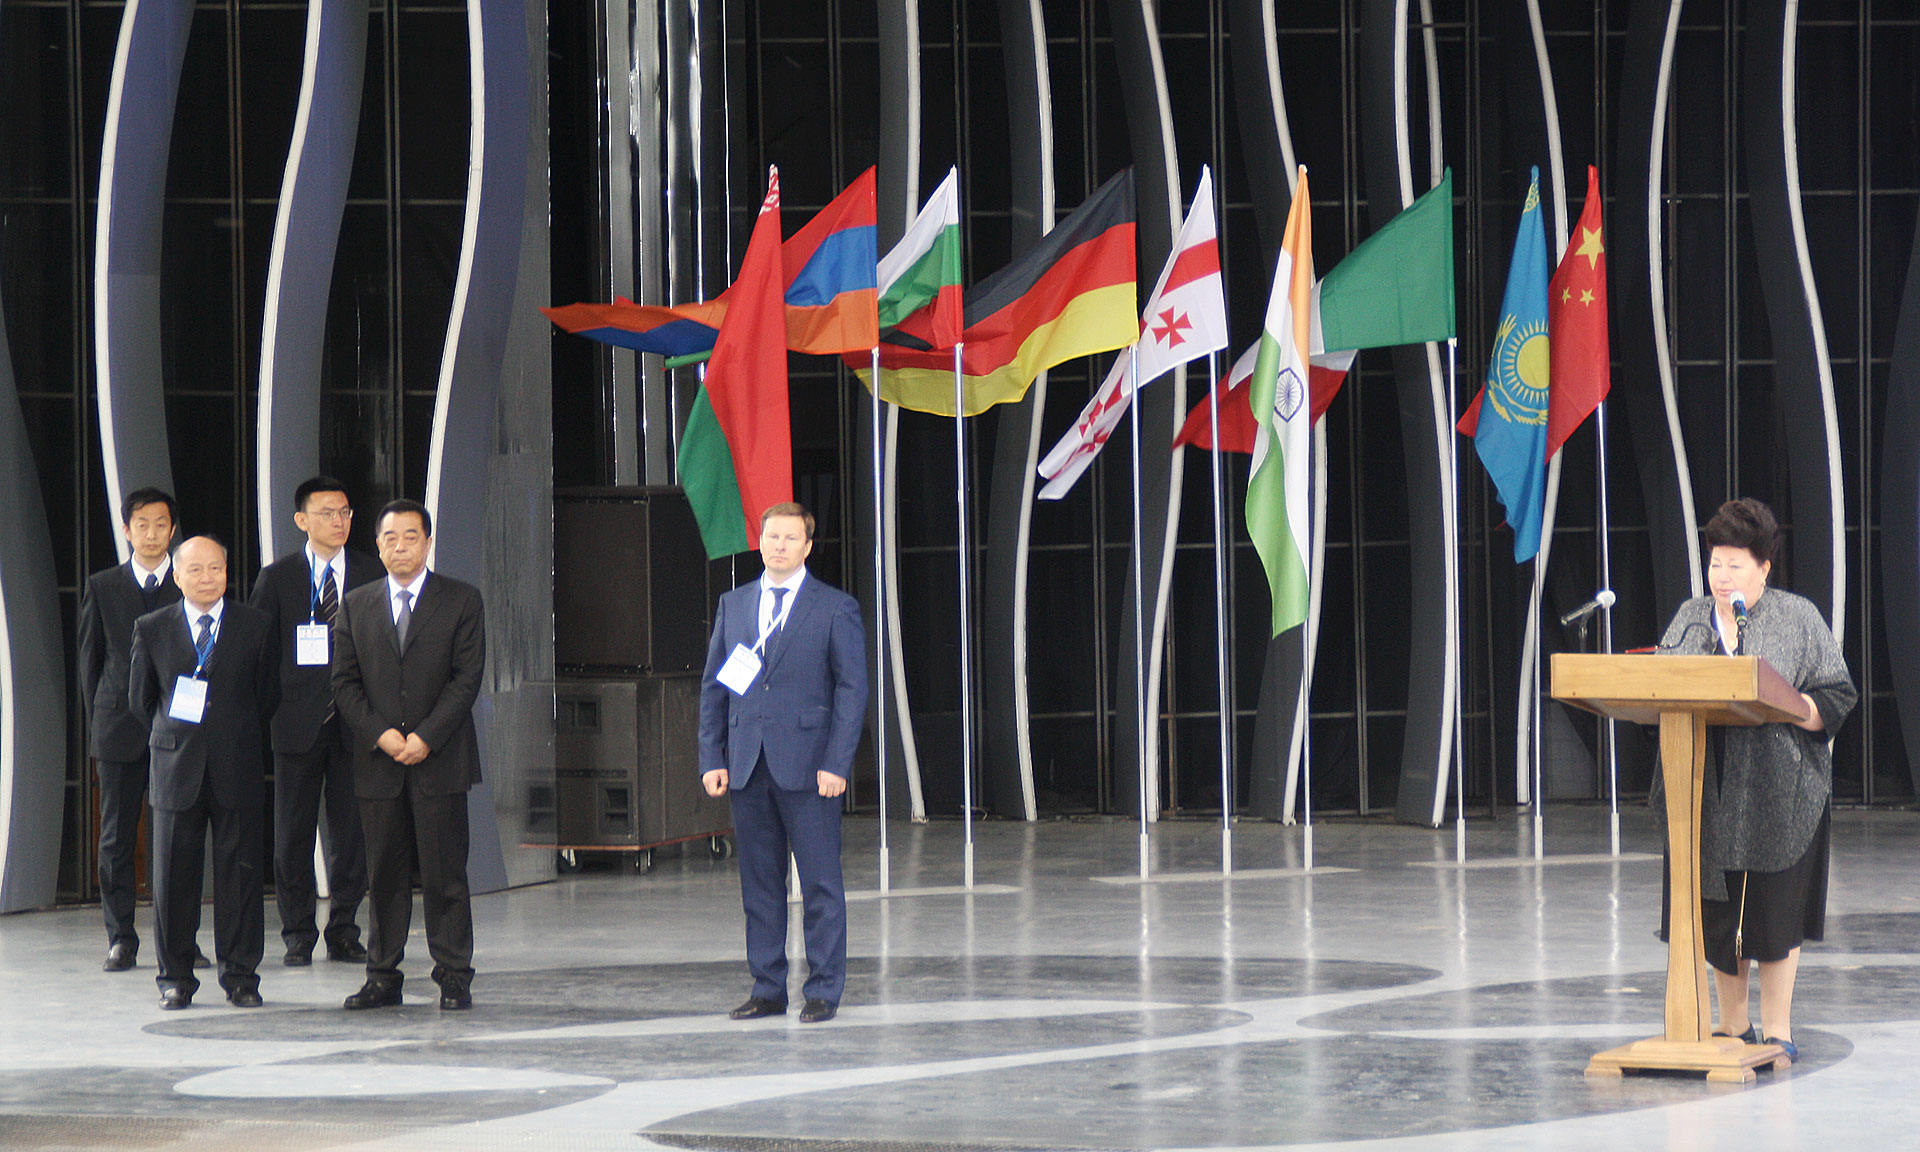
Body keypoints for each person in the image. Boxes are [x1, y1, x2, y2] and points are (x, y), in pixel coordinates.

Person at [1657, 497, 1855, 1064]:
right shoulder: (1691, 617)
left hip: (1780, 788)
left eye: (1735, 564)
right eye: (1715, 563)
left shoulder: (1798, 617)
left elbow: (1837, 693)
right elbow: (1660, 683)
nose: (1722, 576)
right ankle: (1732, 1024)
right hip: (1704, 782)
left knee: (1773, 909)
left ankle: (1778, 1027)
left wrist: (1793, 707)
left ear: (1764, 567)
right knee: (1715, 906)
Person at [700, 501, 866, 1024]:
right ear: (760, 542)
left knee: (820, 885)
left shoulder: (834, 607)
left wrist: (838, 763)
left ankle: (823, 990)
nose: (779, 546)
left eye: (791, 538)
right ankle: (767, 988)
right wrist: (711, 756)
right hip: (748, 765)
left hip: (811, 768)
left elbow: (852, 691)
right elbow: (715, 688)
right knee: (760, 886)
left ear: (808, 547)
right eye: (772, 537)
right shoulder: (734, 605)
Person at [331, 499, 486, 1011]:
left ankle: (454, 973)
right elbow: (344, 683)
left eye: (411, 537)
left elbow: (466, 679)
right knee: (383, 875)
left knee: (446, 874)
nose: (400, 547)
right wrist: (382, 735)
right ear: (377, 546)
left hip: (440, 760)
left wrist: (426, 737)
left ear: (428, 542)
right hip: (378, 763)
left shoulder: (461, 600)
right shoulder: (356, 604)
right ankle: (382, 975)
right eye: (390, 538)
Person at [128, 536, 278, 1009]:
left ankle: (241, 976)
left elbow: (268, 695)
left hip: (238, 765)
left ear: (227, 573)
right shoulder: (152, 628)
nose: (207, 578)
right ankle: (174, 977)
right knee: (173, 880)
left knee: (241, 878)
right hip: (176, 768)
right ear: (176, 576)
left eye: (216, 568)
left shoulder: (256, 625)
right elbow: (141, 700)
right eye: (195, 570)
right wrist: (177, 736)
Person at [250, 477, 383, 966]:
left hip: (357, 724)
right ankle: (297, 932)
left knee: (352, 834)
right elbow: (261, 654)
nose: (339, 521)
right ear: (301, 520)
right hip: (295, 723)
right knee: (293, 834)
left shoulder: (372, 573)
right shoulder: (277, 578)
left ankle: (344, 928)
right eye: (327, 513)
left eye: (345, 512)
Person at [77, 487, 208, 973]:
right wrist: (100, 720)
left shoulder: (190, 580)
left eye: (160, 524)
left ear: (173, 531)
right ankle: (121, 938)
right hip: (118, 728)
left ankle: (180, 939)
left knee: (178, 838)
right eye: (142, 525)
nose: (151, 534)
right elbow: (90, 663)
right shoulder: (103, 585)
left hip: (179, 728)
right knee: (116, 836)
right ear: (127, 530)